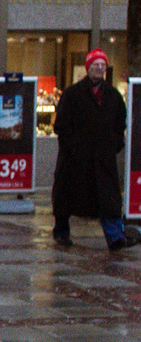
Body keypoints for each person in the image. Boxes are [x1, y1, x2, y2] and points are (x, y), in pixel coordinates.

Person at [51, 48, 138, 251]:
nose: (99, 68)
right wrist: (73, 148)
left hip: (103, 159)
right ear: (87, 68)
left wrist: (115, 144)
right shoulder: (72, 94)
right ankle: (62, 232)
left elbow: (120, 124)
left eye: (102, 65)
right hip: (75, 159)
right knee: (66, 196)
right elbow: (61, 125)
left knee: (109, 200)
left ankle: (115, 237)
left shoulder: (113, 96)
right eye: (95, 65)